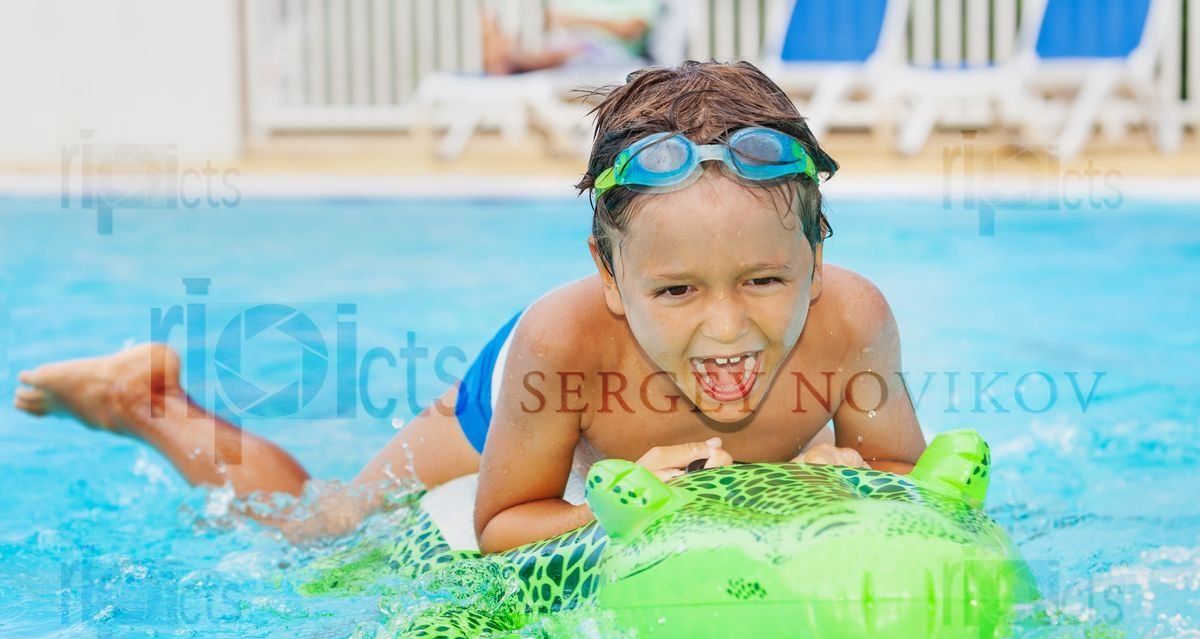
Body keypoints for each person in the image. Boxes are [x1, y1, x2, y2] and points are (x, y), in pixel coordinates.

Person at [13, 61, 926, 553]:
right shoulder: (566, 337)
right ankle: (145, 401)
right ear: (612, 277)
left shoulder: (852, 323)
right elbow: (501, 526)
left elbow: (906, 481)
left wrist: (823, 483)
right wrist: (645, 505)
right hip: (521, 394)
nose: (726, 325)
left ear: (815, 259)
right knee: (326, 529)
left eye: (763, 281)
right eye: (677, 288)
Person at [482, 0, 660, 76]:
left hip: (617, 57)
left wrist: (579, 20)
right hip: (573, 49)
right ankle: (513, 59)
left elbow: (632, 30)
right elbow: (555, 20)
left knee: (576, 49)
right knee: (564, 47)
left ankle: (512, 61)